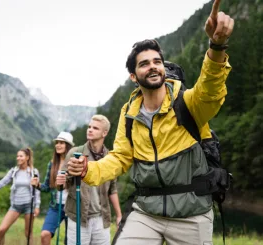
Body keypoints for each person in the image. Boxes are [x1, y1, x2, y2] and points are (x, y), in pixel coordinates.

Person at [66, 0, 234, 244]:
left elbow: (211, 91)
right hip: (146, 213)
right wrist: (88, 169)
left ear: (163, 68)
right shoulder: (129, 113)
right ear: (134, 76)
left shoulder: (188, 102)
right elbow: (121, 157)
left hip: (192, 215)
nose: (153, 66)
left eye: (157, 61)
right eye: (144, 64)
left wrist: (217, 47)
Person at [57, 115, 122, 245]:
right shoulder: (75, 153)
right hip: (78, 217)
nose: (90, 130)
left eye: (95, 128)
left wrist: (119, 215)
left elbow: (112, 190)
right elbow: (62, 185)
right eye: (89, 127)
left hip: (101, 218)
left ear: (104, 133)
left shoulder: (110, 158)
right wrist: (60, 182)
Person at [0, 147, 40, 245]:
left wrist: (37, 206)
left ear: (27, 157)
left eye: (21, 156)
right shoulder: (14, 171)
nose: (18, 158)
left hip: (29, 206)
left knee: (28, 234)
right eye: (17, 156)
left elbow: (37, 190)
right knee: (1, 230)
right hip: (15, 206)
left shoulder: (34, 172)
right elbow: (1, 183)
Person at [31, 132, 74, 245]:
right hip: (56, 206)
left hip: (72, 207)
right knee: (45, 234)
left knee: (69, 241)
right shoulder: (52, 164)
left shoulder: (74, 163)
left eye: (61, 143)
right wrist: (37, 185)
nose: (58, 145)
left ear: (68, 146)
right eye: (57, 143)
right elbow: (47, 187)